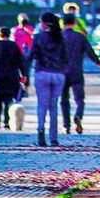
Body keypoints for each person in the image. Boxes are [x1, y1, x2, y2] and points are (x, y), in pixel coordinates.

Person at [29, 9, 69, 147]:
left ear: (44, 24)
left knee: (42, 105)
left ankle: (41, 131)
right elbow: (66, 57)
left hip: (42, 73)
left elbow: (31, 55)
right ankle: (54, 138)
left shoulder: (38, 37)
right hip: (58, 75)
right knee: (53, 106)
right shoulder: (60, 38)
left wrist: (25, 75)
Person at [60, 10, 100, 134]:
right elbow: (90, 52)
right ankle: (78, 115)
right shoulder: (80, 37)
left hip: (62, 72)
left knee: (64, 99)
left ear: (63, 23)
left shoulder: (59, 37)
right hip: (77, 71)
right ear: (74, 23)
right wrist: (98, 62)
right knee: (79, 99)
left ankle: (66, 126)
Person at [0, 26, 26, 128]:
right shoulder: (14, 46)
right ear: (9, 34)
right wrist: (24, 74)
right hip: (12, 76)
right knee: (8, 99)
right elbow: (21, 61)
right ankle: (7, 121)